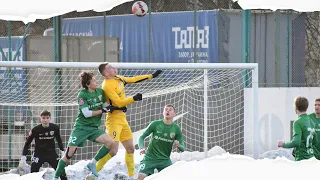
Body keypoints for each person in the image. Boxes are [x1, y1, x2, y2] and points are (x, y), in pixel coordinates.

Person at [94, 62, 162, 179]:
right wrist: (134, 98)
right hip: (113, 120)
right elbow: (119, 102)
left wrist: (151, 76)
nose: (113, 68)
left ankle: (131, 177)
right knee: (113, 150)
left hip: (122, 118)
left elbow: (134, 79)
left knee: (130, 149)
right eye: (110, 67)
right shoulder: (107, 85)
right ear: (105, 73)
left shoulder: (118, 78)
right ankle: (93, 172)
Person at [53, 71, 124, 179]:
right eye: (94, 80)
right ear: (88, 84)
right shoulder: (82, 95)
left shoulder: (100, 92)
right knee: (68, 155)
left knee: (110, 142)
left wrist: (120, 107)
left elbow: (106, 106)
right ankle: (56, 176)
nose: (96, 81)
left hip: (93, 128)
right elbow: (86, 114)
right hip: (81, 128)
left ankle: (92, 163)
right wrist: (103, 110)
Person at [137, 104, 185, 180]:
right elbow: (141, 137)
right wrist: (141, 148)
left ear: (174, 114)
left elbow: (183, 148)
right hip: (149, 159)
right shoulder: (155, 124)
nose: (168, 111)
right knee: (140, 178)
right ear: (163, 113)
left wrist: (179, 146)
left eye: (170, 109)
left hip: (165, 160)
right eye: (166, 109)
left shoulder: (176, 129)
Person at [18, 110, 67, 180]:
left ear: (50, 118)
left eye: (47, 118)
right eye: (43, 118)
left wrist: (63, 152)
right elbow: (27, 143)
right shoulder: (35, 130)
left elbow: (59, 140)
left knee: (62, 171)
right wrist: (23, 156)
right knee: (33, 174)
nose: (45, 120)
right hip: (39, 154)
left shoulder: (55, 128)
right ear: (40, 118)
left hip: (51, 153)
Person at [277, 96, 316, 161]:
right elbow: (315, 141)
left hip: (302, 158)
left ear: (296, 107)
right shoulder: (311, 121)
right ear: (306, 107)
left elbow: (296, 142)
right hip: (311, 157)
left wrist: (283, 144)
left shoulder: (297, 122)